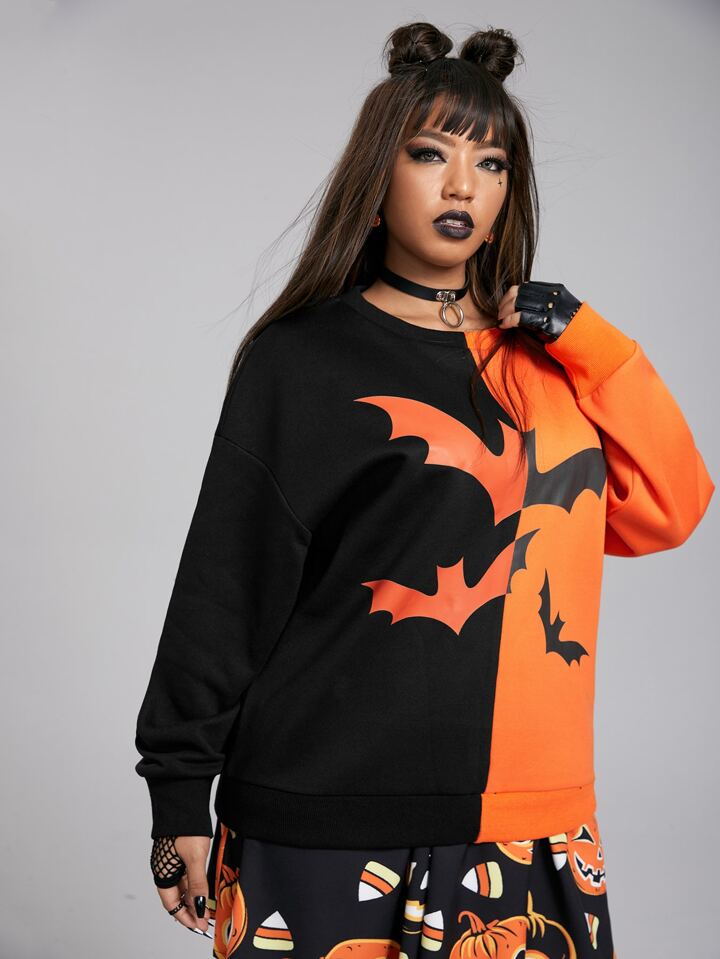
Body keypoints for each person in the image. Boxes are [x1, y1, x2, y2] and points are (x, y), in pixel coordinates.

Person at [133, 20, 714, 959]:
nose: (461, 186)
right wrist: (176, 796)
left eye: (491, 163)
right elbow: (225, 585)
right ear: (379, 173)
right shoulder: (304, 360)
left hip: (525, 820)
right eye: (431, 154)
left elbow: (671, 506)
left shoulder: (550, 365)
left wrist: (591, 341)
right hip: (319, 814)